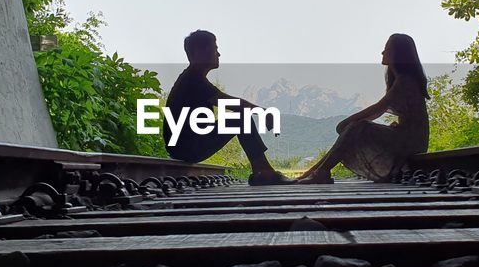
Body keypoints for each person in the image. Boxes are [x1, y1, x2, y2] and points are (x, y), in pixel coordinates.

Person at [295, 33, 430, 183]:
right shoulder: (401, 80)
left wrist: (345, 124)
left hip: (411, 142)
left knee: (357, 127)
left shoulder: (405, 81)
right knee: (356, 127)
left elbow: (378, 109)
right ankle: (318, 171)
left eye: (387, 48)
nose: (383, 52)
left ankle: (319, 172)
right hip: (409, 139)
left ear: (399, 53)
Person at [162, 30, 290, 185]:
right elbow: (233, 104)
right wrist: (265, 113)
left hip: (183, 145)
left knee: (239, 117)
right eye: (214, 49)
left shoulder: (192, 78)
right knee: (240, 118)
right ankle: (263, 171)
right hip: (186, 147)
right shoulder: (194, 80)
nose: (219, 54)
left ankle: (262, 170)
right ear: (199, 52)